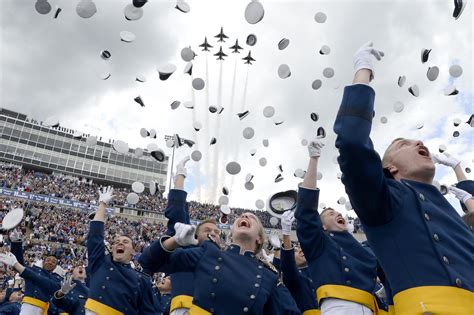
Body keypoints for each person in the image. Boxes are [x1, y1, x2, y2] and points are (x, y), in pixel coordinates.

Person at [333, 42, 474, 314]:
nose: (418, 141)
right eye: (403, 144)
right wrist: (364, 71)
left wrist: (460, 171)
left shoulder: (447, 210)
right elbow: (351, 141)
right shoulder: (384, 199)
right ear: (391, 169)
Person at [139, 210, 301, 314]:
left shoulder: (268, 276)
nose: (244, 216)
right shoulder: (209, 253)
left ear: (259, 238)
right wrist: (174, 241)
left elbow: (289, 312)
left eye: (251, 217)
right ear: (231, 234)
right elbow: (148, 262)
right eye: (241, 216)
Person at [294, 138, 380, 315]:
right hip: (339, 309)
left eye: (339, 213)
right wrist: (314, 160)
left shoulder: (365, 249)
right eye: (331, 214)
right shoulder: (320, 245)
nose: (339, 214)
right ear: (322, 227)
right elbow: (306, 211)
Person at [84, 186, 156, 315]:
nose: (119, 243)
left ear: (134, 251)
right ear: (111, 249)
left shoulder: (142, 280)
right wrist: (102, 204)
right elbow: (95, 236)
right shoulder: (100, 263)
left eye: (125, 242)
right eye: (116, 242)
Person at [7, 230, 63, 315]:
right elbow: (19, 264)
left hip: (46, 310)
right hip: (28, 306)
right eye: (48, 260)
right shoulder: (34, 270)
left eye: (53, 262)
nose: (50, 262)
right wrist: (16, 242)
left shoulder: (57, 278)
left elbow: (54, 288)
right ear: (43, 262)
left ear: (56, 266)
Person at [279, 210, 319, 314]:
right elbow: (288, 264)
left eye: (301, 248)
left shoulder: (316, 271)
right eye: (295, 251)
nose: (301, 250)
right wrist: (286, 234)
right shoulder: (293, 276)